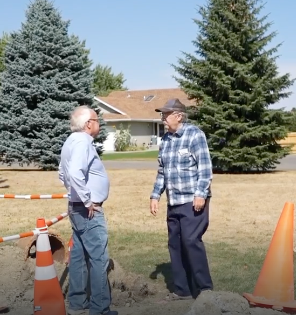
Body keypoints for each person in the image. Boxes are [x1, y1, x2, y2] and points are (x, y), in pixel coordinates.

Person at [150, 98, 213, 300]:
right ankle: (182, 290)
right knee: (175, 243)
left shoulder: (195, 135)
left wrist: (200, 194)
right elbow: (162, 172)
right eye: (162, 115)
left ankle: (205, 290)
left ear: (178, 116)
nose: (162, 120)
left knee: (191, 241)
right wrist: (155, 195)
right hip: (173, 201)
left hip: (193, 201)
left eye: (165, 115)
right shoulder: (165, 141)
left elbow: (204, 167)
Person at [58, 105, 118, 315]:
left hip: (76, 208)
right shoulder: (83, 142)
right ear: (88, 124)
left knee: (78, 256)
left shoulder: (70, 141)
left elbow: (62, 174)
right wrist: (87, 199)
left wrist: (76, 195)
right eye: (96, 119)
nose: (98, 123)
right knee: (99, 257)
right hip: (87, 210)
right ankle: (100, 309)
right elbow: (74, 172)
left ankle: (77, 303)